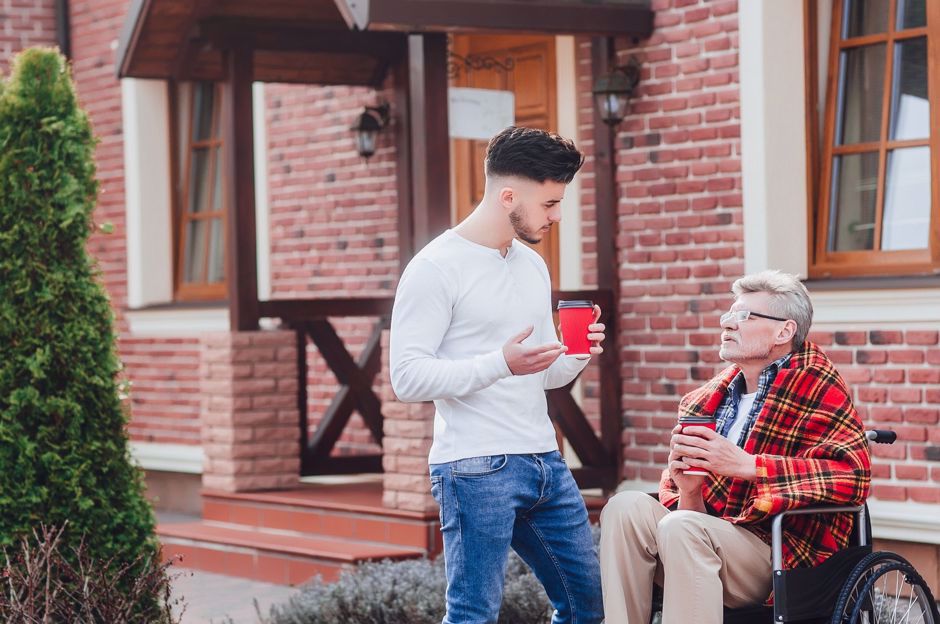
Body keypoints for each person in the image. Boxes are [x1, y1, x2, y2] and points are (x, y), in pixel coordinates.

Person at [390, 126, 606, 624]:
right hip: (473, 467)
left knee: (586, 607)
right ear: (508, 195)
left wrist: (575, 355)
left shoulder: (532, 264)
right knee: (472, 615)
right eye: (549, 204)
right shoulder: (435, 268)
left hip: (544, 462)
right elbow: (407, 378)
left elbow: (539, 378)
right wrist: (499, 363)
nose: (556, 216)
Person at [599, 270, 871, 624]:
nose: (729, 324)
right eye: (729, 315)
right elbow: (693, 516)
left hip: (780, 553)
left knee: (682, 527)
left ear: (784, 332)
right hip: (705, 536)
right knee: (625, 507)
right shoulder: (705, 401)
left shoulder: (816, 387)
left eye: (745, 317)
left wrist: (750, 466)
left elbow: (853, 475)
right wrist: (690, 490)